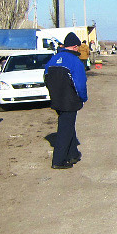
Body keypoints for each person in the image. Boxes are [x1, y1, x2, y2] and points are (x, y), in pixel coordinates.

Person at [44, 32, 88, 170]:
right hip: (70, 100)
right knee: (65, 129)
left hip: (56, 99)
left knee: (67, 125)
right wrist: (83, 97)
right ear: (75, 47)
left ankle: (73, 153)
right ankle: (59, 160)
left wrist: (54, 93)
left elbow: (46, 78)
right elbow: (80, 84)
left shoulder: (53, 59)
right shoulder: (75, 62)